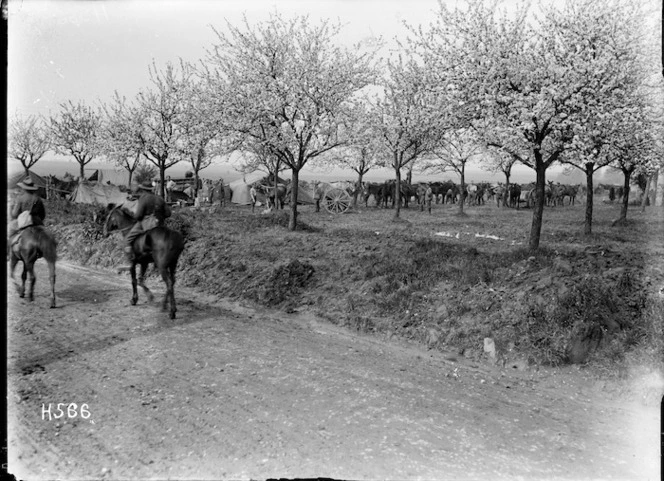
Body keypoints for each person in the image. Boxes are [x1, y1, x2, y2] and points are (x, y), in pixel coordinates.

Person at [119, 183, 172, 271]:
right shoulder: (160, 198)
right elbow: (168, 213)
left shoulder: (144, 198)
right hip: (160, 224)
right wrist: (159, 217)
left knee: (127, 239)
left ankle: (130, 262)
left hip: (146, 223)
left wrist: (136, 217)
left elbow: (138, 215)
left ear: (142, 190)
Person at [8, 177, 46, 247]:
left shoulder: (20, 198)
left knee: (9, 230)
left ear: (23, 188)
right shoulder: (38, 199)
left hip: (22, 222)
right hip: (36, 222)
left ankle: (10, 251)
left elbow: (14, 214)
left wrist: (11, 208)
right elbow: (42, 215)